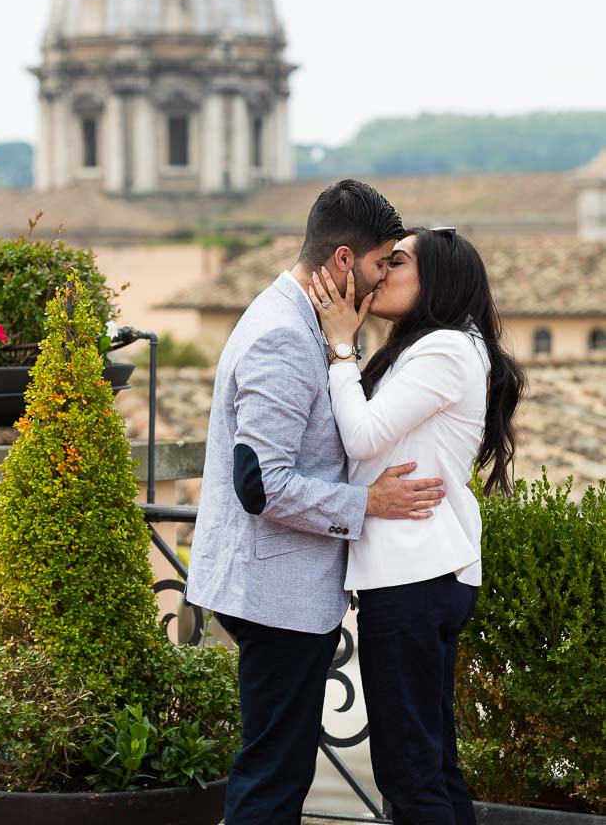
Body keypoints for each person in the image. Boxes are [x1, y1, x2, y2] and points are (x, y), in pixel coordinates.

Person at [186, 182, 448, 825]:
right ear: (341, 261)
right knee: (273, 777)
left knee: (281, 769)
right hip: (275, 590)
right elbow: (262, 485)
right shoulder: (281, 334)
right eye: (384, 260)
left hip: (282, 586)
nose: (388, 274)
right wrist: (367, 504)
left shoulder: (309, 321)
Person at [309, 226, 526, 825]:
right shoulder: (437, 346)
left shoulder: (446, 350)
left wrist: (340, 347)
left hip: (414, 577)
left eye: (396, 261)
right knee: (430, 763)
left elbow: (361, 435)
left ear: (437, 280)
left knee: (408, 771)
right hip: (423, 574)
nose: (379, 271)